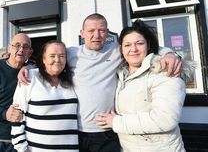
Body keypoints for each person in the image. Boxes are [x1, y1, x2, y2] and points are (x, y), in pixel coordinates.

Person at [17, 14, 182, 152]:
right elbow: (51, 59)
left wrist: (171, 54)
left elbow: (144, 46)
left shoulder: (118, 51)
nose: (96, 35)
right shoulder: (70, 53)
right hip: (77, 133)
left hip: (107, 133)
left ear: (107, 33)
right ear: (82, 33)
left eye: (101, 30)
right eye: (91, 31)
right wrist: (29, 68)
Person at [94, 20, 186, 152]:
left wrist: (115, 122)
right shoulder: (121, 74)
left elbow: (165, 119)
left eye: (139, 43)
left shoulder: (164, 72)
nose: (133, 49)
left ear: (148, 45)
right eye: (127, 45)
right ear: (121, 49)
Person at [11, 40, 79, 152]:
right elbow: (17, 117)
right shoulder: (29, 78)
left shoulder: (74, 79)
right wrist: (22, 149)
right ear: (43, 59)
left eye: (62, 56)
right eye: (52, 56)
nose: (57, 60)